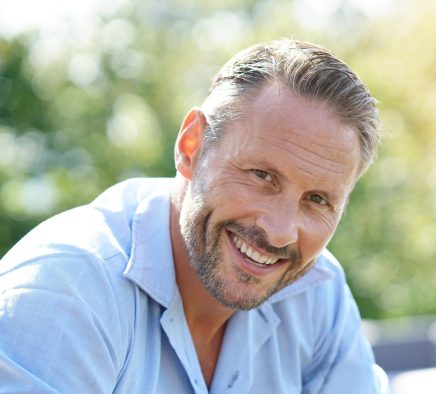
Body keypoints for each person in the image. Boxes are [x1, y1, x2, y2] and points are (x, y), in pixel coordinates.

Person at [0, 39, 388, 393]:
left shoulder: (318, 292)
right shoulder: (66, 289)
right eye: (262, 176)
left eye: (317, 199)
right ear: (192, 147)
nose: (281, 231)